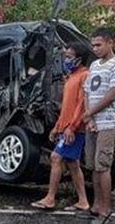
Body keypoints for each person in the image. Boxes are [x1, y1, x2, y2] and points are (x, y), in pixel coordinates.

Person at [30, 44, 90, 212]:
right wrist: (58, 127)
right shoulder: (71, 77)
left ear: (79, 58)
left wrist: (72, 127)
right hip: (68, 127)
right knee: (72, 163)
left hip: (75, 129)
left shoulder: (85, 76)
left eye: (70, 57)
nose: (66, 60)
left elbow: (81, 105)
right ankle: (83, 200)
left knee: (56, 157)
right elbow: (67, 107)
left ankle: (50, 198)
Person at [83, 27, 115, 224]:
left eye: (99, 44)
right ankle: (96, 205)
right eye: (93, 45)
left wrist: (91, 112)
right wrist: (88, 116)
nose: (95, 49)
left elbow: (112, 95)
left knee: (103, 166)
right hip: (92, 121)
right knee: (92, 165)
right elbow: (87, 91)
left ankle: (106, 210)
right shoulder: (94, 65)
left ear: (110, 43)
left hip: (108, 122)